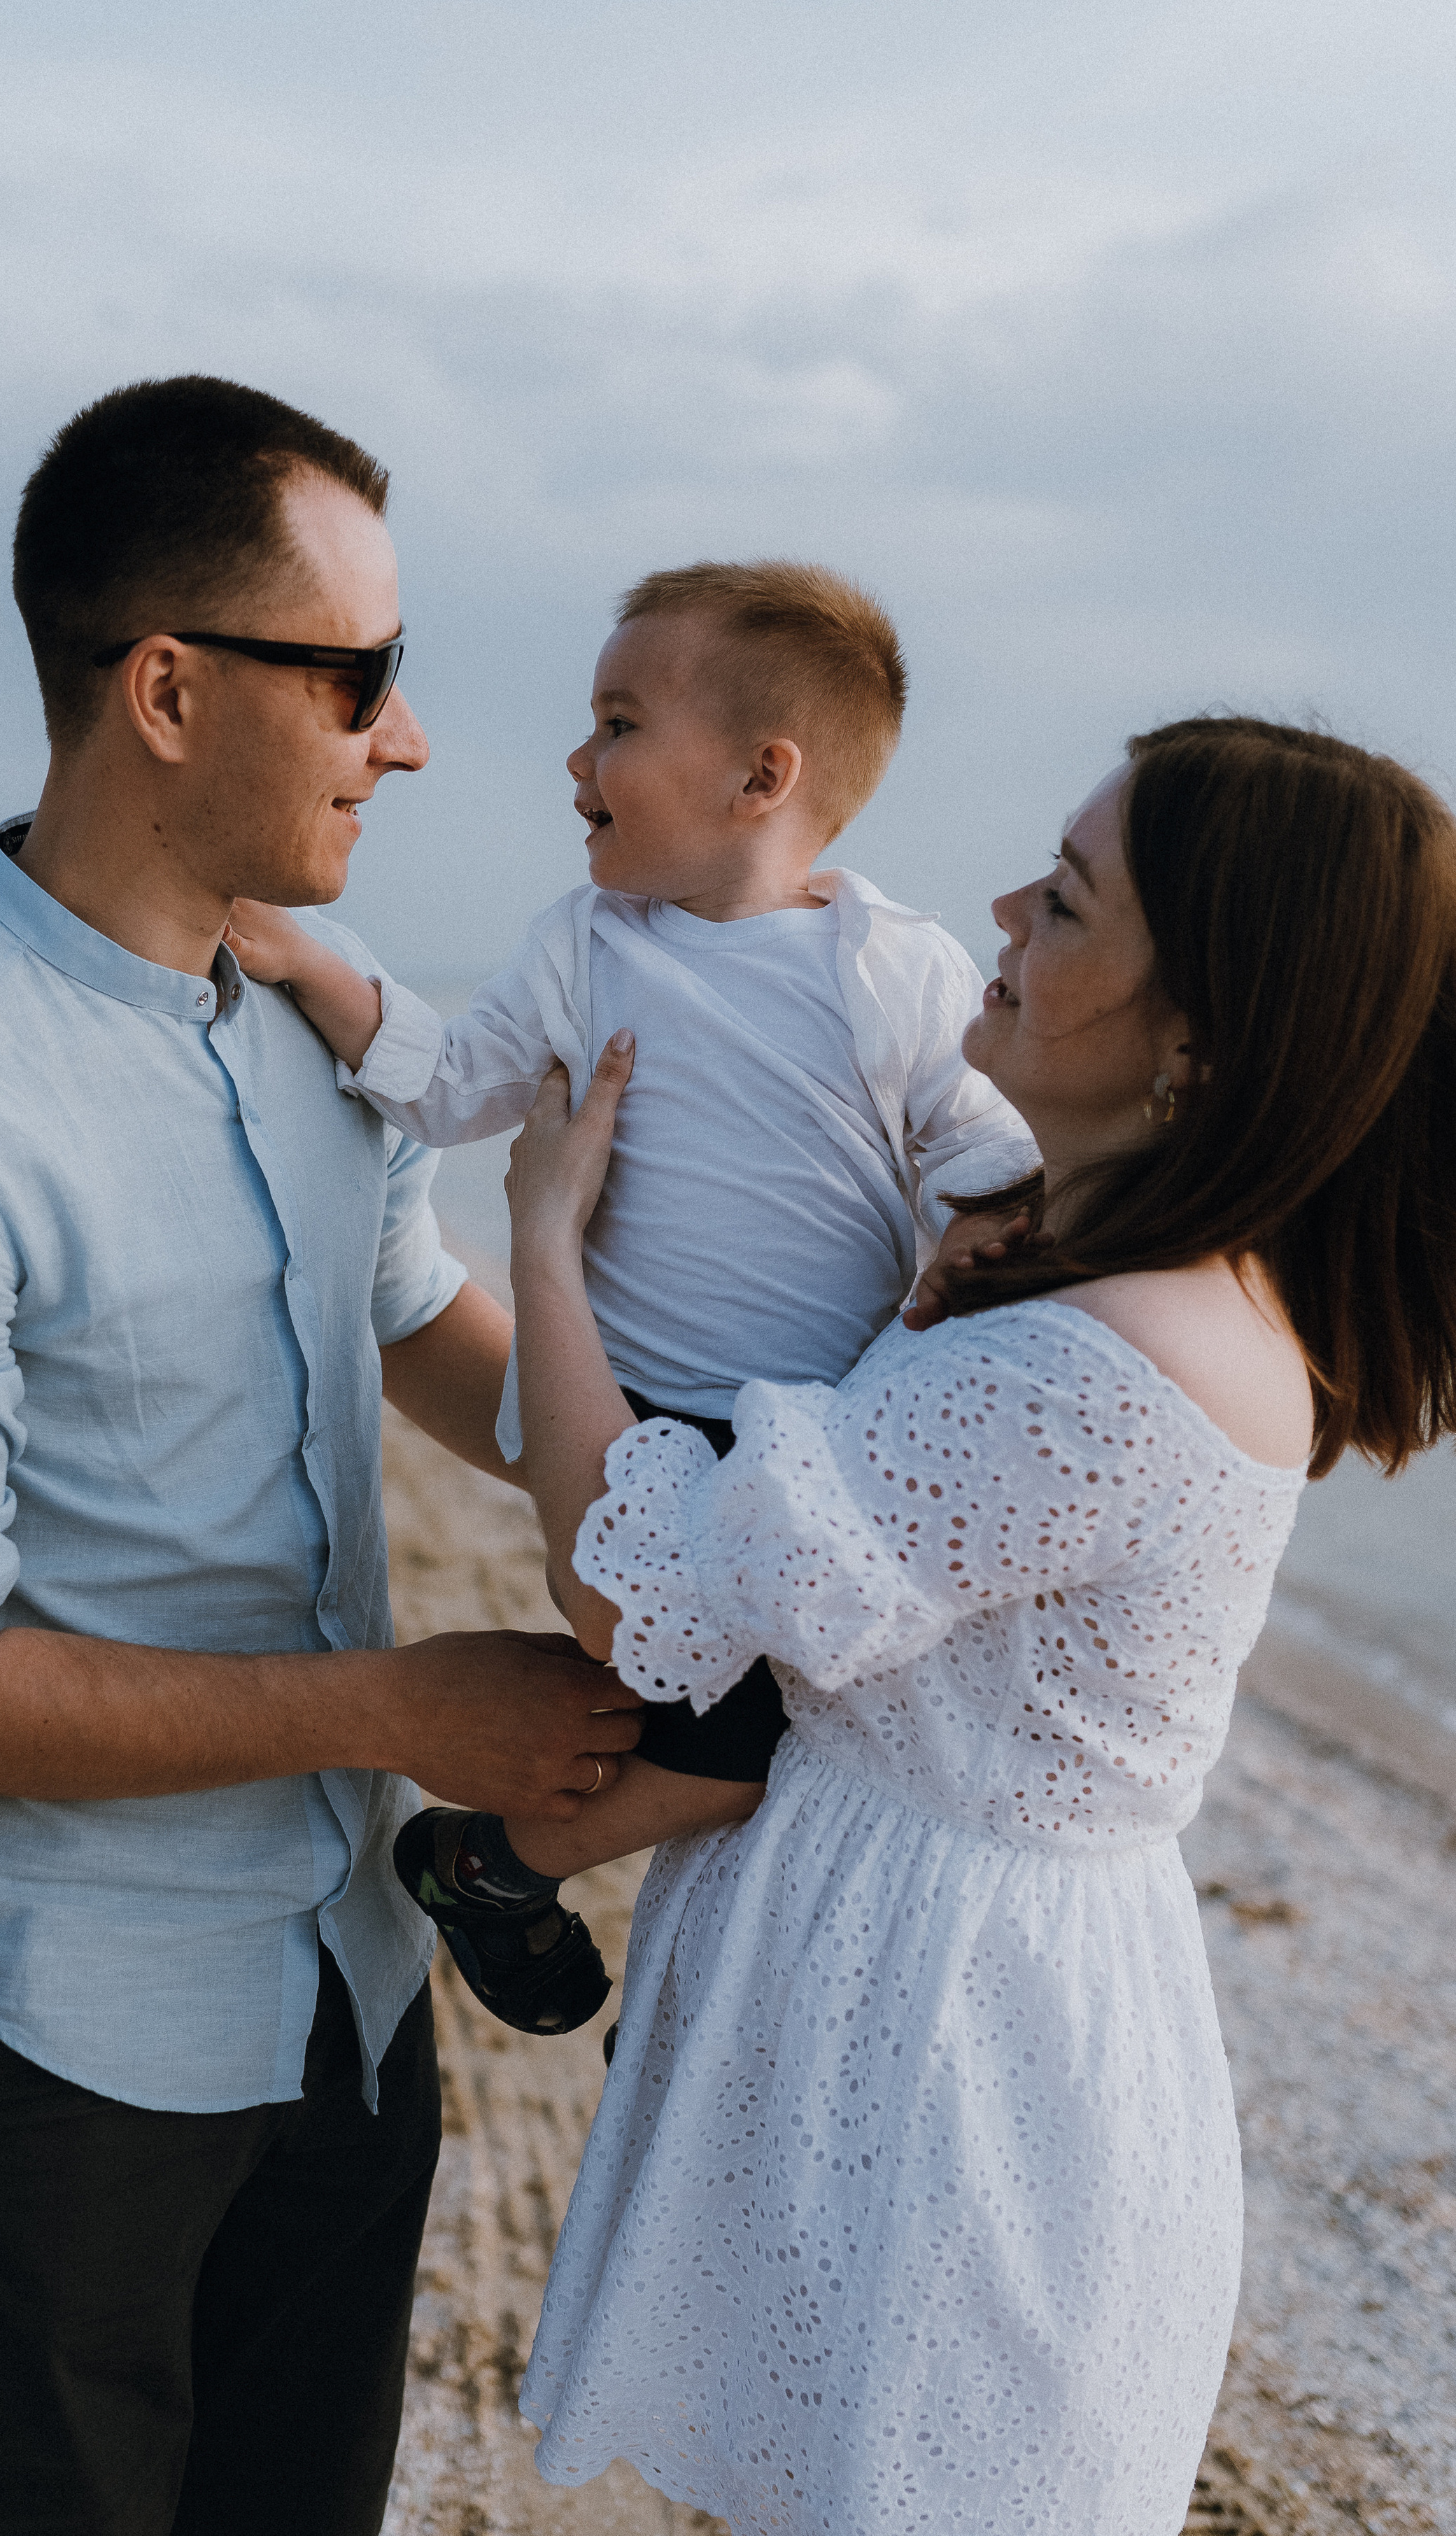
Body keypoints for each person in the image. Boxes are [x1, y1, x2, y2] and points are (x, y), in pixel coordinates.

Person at [0, 375, 644, 2536]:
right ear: (166, 688)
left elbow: (409, 1321)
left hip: (350, 1994)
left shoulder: (322, 1011)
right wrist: (406, 1709)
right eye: (365, 679)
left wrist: (725, 1495)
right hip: (58, 2063)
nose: (405, 737)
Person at [496, 718, 1456, 2534]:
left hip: (958, 2065)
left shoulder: (1105, 1362)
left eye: (1072, 899)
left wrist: (544, 1243)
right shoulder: (1114, 1278)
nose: (1004, 903)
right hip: (946, 1988)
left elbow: (645, 1603)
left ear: (1199, 1044)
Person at [224, 561, 1036, 2037]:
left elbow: (977, 1145)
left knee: (820, 1735)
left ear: (756, 777)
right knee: (723, 1755)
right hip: (633, 1421)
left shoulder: (892, 964)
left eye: (614, 724)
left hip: (821, 1433)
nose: (574, 762)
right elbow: (451, 1085)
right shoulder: (582, 950)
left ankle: (573, 1883)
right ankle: (487, 1864)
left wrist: (987, 1234)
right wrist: (299, 958)